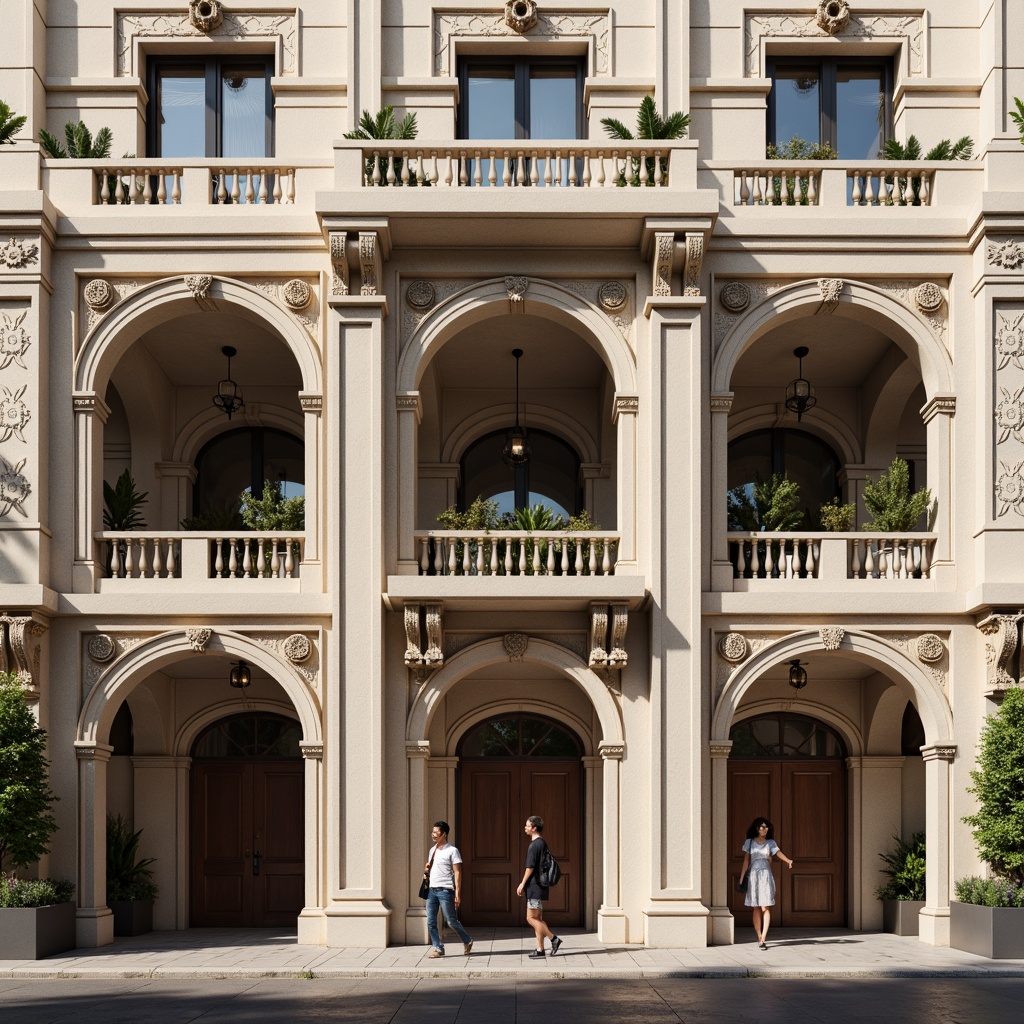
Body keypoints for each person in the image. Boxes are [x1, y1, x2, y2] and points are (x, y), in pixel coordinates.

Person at [738, 817, 793, 950]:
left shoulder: (771, 842)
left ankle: (763, 937)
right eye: (763, 827)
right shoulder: (749, 842)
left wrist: (788, 860)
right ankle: (758, 936)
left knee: (766, 906)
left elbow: (778, 853)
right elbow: (746, 861)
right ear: (757, 829)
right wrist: (741, 877)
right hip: (753, 876)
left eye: (767, 827)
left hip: (766, 876)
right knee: (756, 906)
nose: (765, 829)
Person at [424, 821, 473, 958]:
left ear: (443, 834)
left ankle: (467, 940)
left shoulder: (452, 851)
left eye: (435, 832)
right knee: (431, 921)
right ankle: (438, 948)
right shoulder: (432, 851)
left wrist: (457, 893)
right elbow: (431, 869)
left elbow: (457, 873)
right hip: (432, 891)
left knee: (451, 921)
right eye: (432, 832)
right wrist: (426, 869)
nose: (433, 835)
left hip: (446, 890)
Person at [516, 815, 563, 957]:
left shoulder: (534, 845)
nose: (525, 827)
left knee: (530, 919)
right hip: (540, 887)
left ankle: (554, 939)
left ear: (534, 828)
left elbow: (530, 867)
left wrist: (522, 883)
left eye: (527, 825)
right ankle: (541, 950)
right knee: (538, 919)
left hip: (534, 887)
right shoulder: (542, 843)